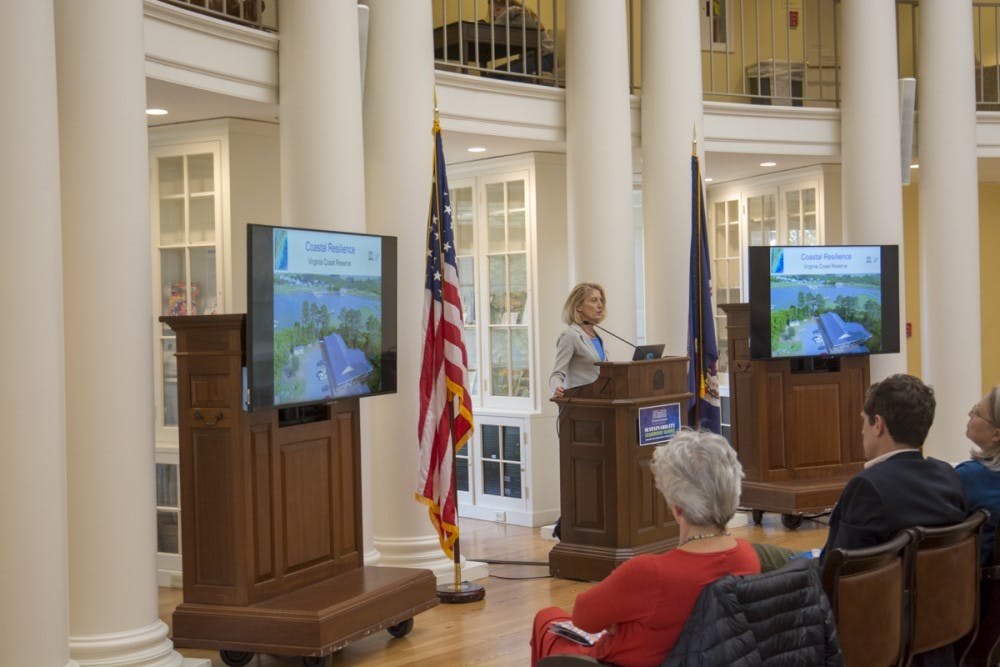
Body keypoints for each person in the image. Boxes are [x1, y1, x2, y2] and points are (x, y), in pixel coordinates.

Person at [529, 430, 761, 667]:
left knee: (547, 619)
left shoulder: (650, 573)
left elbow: (583, 617)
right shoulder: (747, 556)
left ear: (677, 507)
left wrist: (617, 624)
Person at [822, 373, 966, 556]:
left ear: (878, 425)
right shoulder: (949, 476)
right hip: (932, 582)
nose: (861, 431)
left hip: (845, 581)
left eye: (863, 421)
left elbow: (838, 572)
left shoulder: (867, 486)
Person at [956, 385, 1000, 565]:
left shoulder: (968, 477)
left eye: (977, 411)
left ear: (996, 435)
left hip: (977, 587)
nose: (969, 414)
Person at [549, 282, 607, 399]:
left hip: (600, 402)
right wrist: (557, 387)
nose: (600, 305)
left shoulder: (597, 336)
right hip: (579, 404)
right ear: (579, 306)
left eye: (601, 300)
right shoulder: (570, 336)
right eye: (594, 300)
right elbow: (556, 374)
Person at [488, 0, 555, 77]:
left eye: (498, 10)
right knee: (494, 73)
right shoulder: (512, 19)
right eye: (493, 13)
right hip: (531, 58)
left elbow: (496, 28)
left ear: (509, 6)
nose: (495, 15)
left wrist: (510, 11)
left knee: (500, 75)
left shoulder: (521, 15)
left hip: (544, 58)